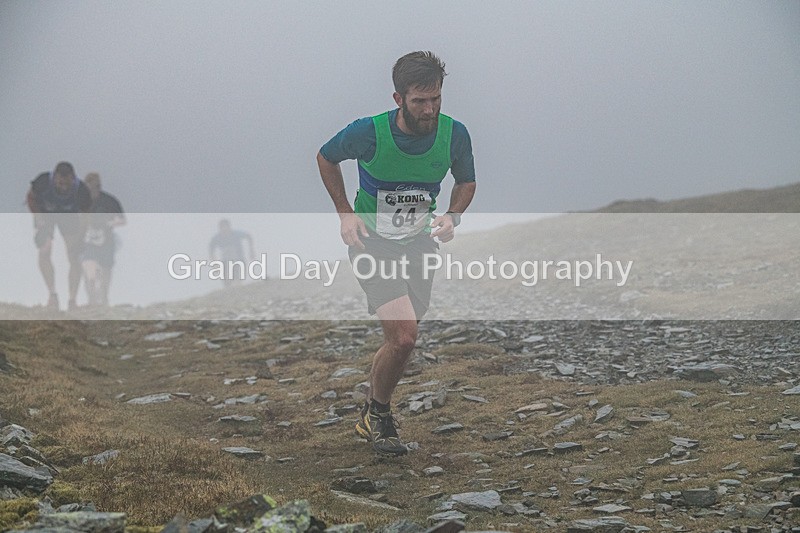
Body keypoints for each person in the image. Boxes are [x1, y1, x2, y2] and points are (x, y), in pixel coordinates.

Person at [317, 51, 476, 456]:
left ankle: (372, 410)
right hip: (372, 243)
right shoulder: (368, 132)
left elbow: (466, 181)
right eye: (420, 101)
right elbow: (326, 157)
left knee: (403, 337)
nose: (429, 109)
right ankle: (380, 416)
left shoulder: (454, 134)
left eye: (436, 99)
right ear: (398, 98)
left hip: (420, 243)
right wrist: (345, 214)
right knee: (405, 338)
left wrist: (452, 216)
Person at [26, 162, 92, 311]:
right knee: (44, 250)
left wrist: (81, 237)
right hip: (46, 215)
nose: (64, 187)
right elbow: (30, 197)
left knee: (75, 256)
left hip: (70, 218)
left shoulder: (81, 190)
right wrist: (38, 216)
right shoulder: (42, 182)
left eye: (67, 183)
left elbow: (87, 215)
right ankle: (52, 295)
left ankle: (72, 300)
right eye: (60, 183)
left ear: (73, 179)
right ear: (54, 178)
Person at [81, 173, 126, 307]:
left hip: (106, 241)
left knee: (106, 269)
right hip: (87, 242)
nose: (91, 192)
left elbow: (122, 220)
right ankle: (92, 299)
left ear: (99, 187)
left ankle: (104, 296)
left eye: (94, 188)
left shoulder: (109, 201)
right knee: (89, 270)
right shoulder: (80, 201)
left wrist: (109, 223)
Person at [208, 219, 255, 287]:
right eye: (222, 228)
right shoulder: (217, 238)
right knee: (227, 281)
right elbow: (211, 249)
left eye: (226, 227)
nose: (224, 230)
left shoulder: (236, 234)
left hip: (239, 259)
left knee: (237, 279)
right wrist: (214, 262)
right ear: (220, 229)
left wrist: (251, 250)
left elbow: (248, 236)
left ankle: (238, 290)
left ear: (229, 227)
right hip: (225, 262)